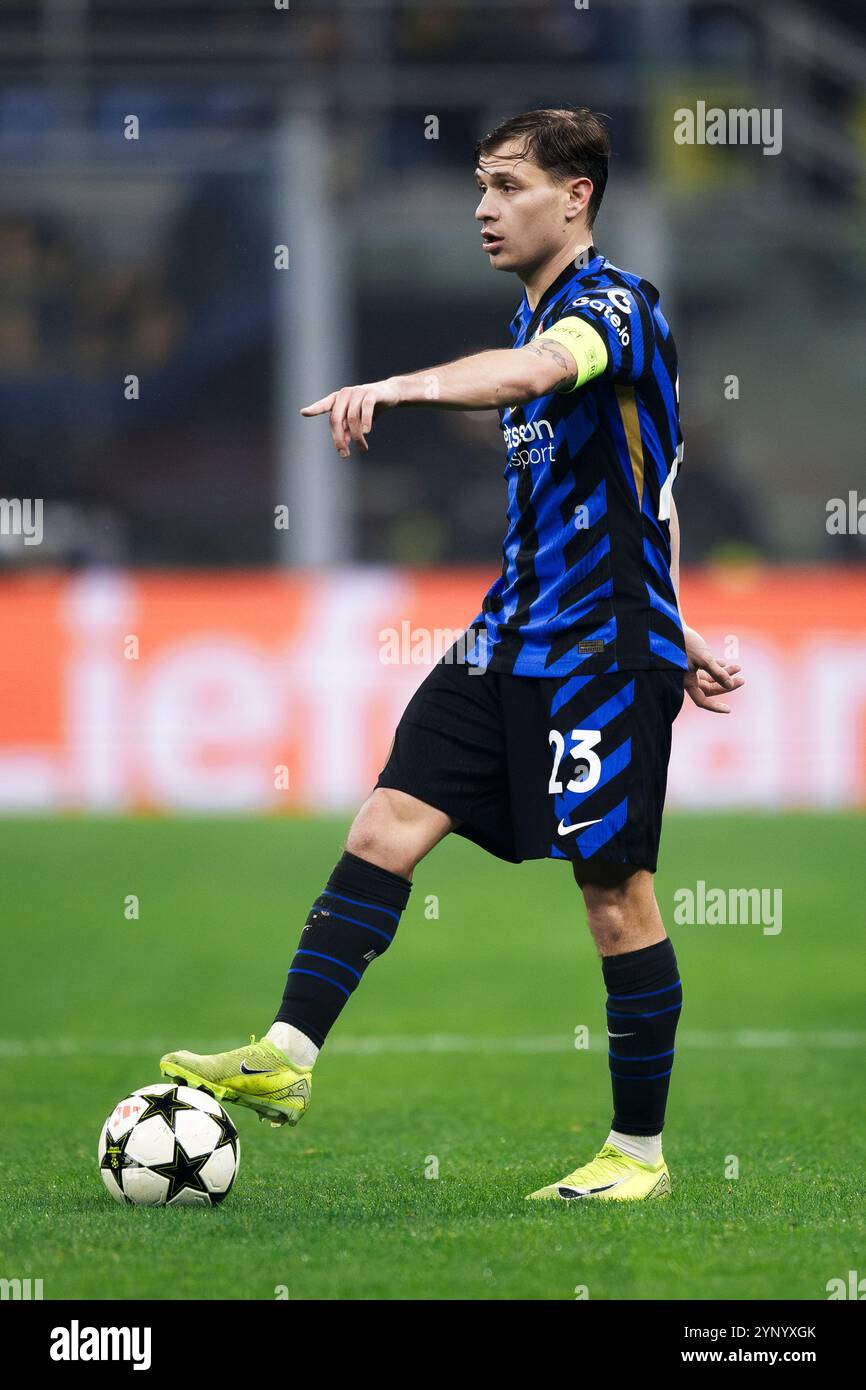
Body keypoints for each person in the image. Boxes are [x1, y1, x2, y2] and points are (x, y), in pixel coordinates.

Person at [160, 107, 744, 1201]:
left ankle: (636, 1157)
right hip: (504, 636)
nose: (483, 206)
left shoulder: (608, 308)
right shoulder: (532, 311)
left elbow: (533, 376)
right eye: (479, 184)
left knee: (614, 899)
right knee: (383, 824)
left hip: (597, 658)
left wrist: (404, 384)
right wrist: (690, 624)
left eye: (509, 185)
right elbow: (640, 495)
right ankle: (286, 1055)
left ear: (574, 197)